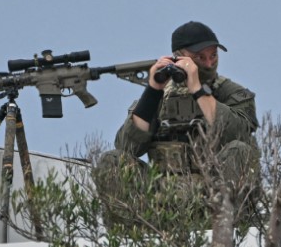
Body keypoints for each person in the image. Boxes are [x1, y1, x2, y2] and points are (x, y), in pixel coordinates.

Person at [96, 21, 260, 201]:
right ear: (179, 57)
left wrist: (197, 89)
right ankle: (129, 226)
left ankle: (227, 223)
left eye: (213, 56)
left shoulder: (233, 94)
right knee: (112, 160)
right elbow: (127, 147)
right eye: (200, 57)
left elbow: (238, 135)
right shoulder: (162, 97)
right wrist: (153, 91)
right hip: (164, 196)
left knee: (239, 149)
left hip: (214, 196)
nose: (208, 63)